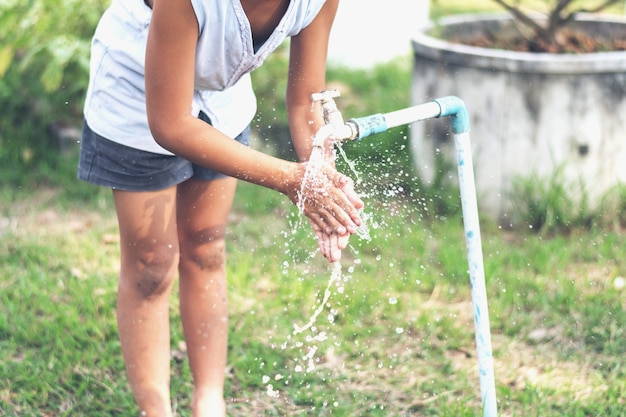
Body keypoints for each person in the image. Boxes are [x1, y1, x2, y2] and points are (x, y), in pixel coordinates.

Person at [78, 0, 362, 415]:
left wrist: (319, 178)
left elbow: (306, 99)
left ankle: (209, 401)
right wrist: (290, 180)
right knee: (151, 266)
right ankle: (155, 409)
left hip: (220, 96)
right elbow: (170, 123)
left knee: (206, 245)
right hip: (139, 91)